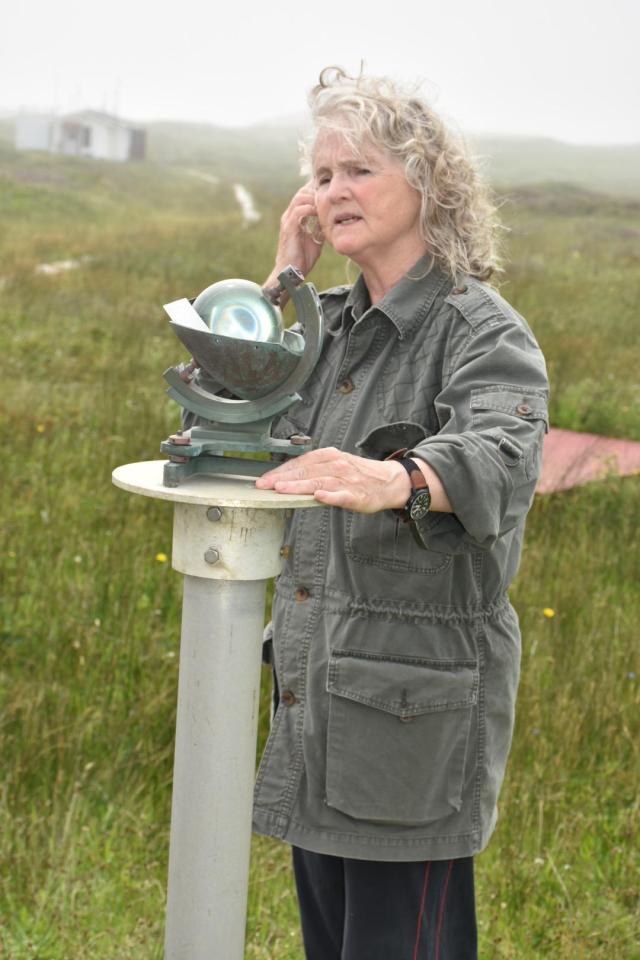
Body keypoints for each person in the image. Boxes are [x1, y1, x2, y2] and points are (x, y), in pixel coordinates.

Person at [253, 67, 549, 960]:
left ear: (428, 184)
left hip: (409, 727)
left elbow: (505, 448)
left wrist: (402, 478)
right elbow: (224, 421)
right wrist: (282, 283)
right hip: (319, 707)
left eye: (360, 171)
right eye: (322, 174)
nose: (333, 190)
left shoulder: (480, 329)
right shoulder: (325, 324)